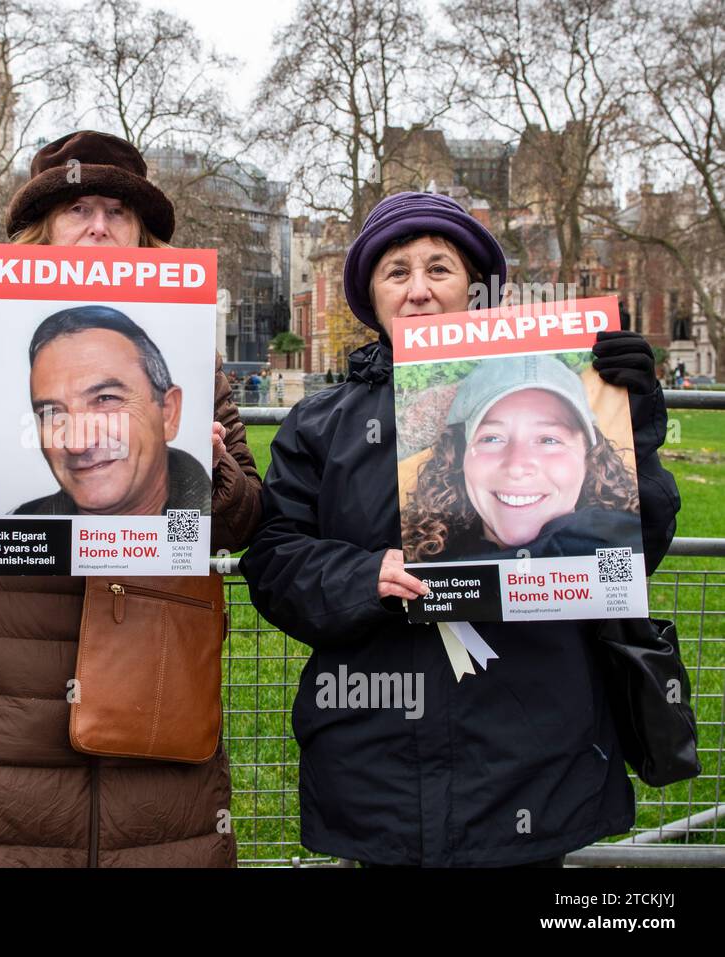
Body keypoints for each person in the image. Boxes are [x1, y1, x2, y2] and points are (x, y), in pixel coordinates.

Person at [241, 191, 680, 867]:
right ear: (370, 294)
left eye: (439, 269)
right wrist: (365, 576)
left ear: (477, 290)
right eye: (396, 272)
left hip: (533, 758)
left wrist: (634, 437)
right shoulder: (320, 423)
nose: (418, 290)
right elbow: (273, 563)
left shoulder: (561, 392)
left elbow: (634, 554)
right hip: (378, 765)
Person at [0, 129, 262, 867]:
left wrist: (213, 476)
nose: (98, 226)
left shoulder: (191, 349)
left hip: (157, 701)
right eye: (77, 209)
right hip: (6, 726)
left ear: (143, 235)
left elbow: (246, 519)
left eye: (118, 213)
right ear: (42, 232)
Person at [403, 354, 642, 562]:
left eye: (549, 440)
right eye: (492, 438)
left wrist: (647, 404)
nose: (517, 467)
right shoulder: (425, 559)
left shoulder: (623, 544)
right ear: (458, 456)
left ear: (589, 456)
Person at [13, 305, 209, 516]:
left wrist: (225, 474)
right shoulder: (19, 530)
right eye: (51, 413)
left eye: (105, 399)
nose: (76, 444)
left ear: (168, 413)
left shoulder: (214, 526)